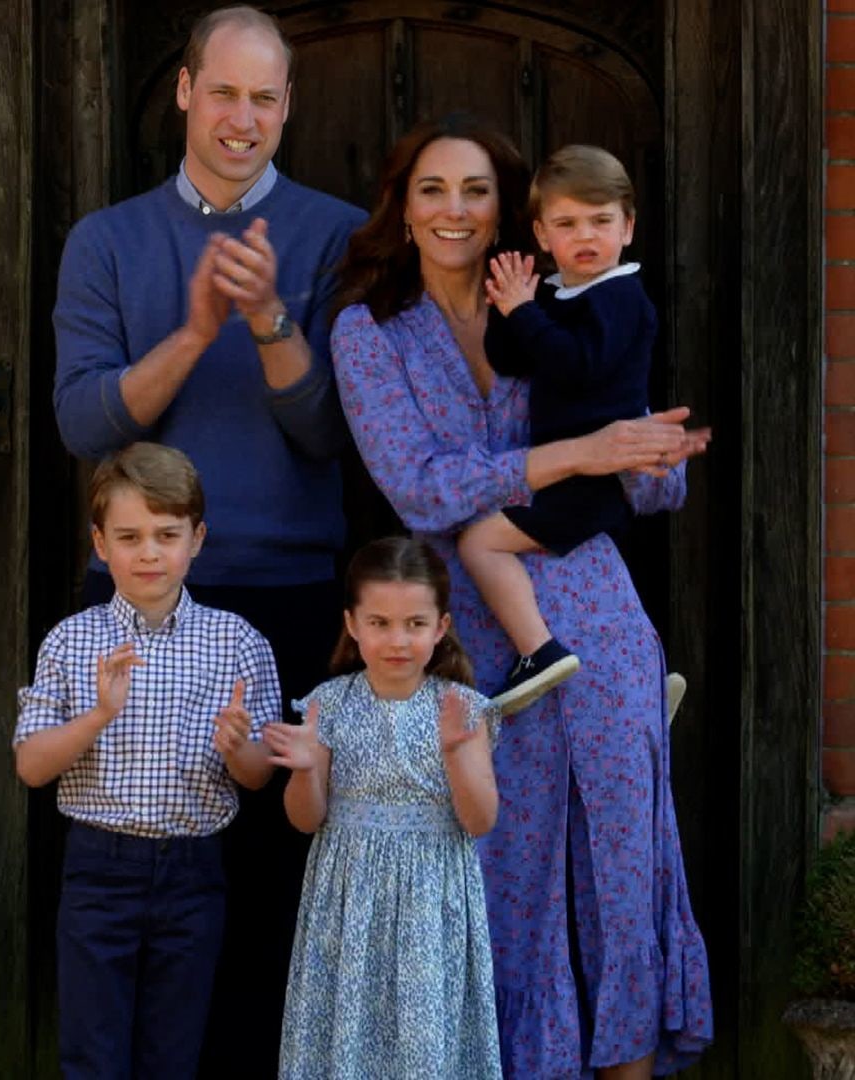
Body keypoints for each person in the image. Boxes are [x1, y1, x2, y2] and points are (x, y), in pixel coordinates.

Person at [328, 114, 714, 1079]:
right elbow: (419, 487)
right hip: (469, 629)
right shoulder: (368, 329)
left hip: (596, 601)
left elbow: (643, 472)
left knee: (624, 864)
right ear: (402, 209)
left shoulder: (561, 296)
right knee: (503, 873)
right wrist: (581, 453)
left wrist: (652, 454)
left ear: (512, 213)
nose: (454, 210)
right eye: (432, 190)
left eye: (475, 191)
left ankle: (630, 1065)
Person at [51, 9, 363, 1069]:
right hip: (140, 601)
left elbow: (331, 433)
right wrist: (192, 331)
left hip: (286, 596)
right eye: (222, 93)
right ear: (184, 92)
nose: (242, 118)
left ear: (288, 108)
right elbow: (85, 423)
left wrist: (271, 319)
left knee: (273, 888)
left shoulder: (337, 236)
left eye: (264, 98)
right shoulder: (108, 240)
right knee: (133, 887)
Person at [14, 441, 278, 1077]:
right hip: (100, 869)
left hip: (193, 871)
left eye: (167, 534)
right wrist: (99, 715)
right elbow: (31, 766)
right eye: (129, 536)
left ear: (197, 538)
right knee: (92, 1052)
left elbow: (260, 775)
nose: (150, 553)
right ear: (100, 544)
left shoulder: (237, 642)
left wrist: (240, 747)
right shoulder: (72, 640)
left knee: (173, 1052)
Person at [265, 537, 501, 1079]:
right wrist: (304, 768)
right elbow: (305, 819)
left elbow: (480, 821)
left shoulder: (462, 709)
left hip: (430, 899)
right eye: (380, 623)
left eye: (415, 624)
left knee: (423, 1043)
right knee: (347, 1035)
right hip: (348, 900)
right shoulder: (330, 703)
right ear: (352, 623)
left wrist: (458, 755)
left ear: (441, 627)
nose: (398, 640)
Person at [456, 145, 656, 714]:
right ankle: (631, 683)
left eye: (601, 221)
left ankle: (538, 652)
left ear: (629, 226)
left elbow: (575, 364)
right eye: (567, 224)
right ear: (543, 235)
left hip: (592, 481)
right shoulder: (559, 294)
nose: (585, 236)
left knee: (480, 541)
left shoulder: (621, 297)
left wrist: (526, 311)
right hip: (566, 473)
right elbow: (512, 358)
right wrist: (508, 305)